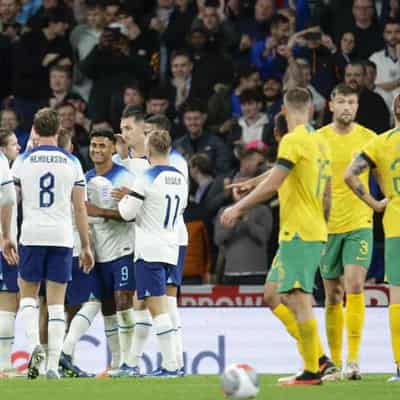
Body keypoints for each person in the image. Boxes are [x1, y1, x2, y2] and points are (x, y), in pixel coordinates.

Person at [220, 88, 332, 386]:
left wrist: (238, 207)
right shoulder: (319, 141)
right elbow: (299, 179)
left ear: (284, 110)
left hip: (300, 232)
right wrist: (251, 183)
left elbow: (275, 184)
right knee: (272, 294)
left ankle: (313, 368)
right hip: (306, 230)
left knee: (298, 297)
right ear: (310, 109)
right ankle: (318, 359)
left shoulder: (293, 140)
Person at [2, 107, 94, 380]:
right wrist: (86, 245)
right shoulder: (73, 162)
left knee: (28, 297)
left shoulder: (23, 161)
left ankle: (33, 348)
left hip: (31, 234)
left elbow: (9, 199)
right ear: (57, 130)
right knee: (55, 304)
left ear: (35, 128)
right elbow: (80, 208)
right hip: (62, 237)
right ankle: (53, 364)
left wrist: (6, 235)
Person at [113, 108, 189, 375]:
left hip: (149, 250)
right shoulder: (179, 177)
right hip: (170, 246)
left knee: (158, 308)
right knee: (143, 304)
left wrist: (126, 197)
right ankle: (131, 364)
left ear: (151, 148)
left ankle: (171, 365)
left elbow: (126, 212)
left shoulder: (147, 177)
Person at [318, 83, 376, 380]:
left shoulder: (369, 139)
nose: (347, 107)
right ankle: (336, 365)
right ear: (331, 105)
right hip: (326, 227)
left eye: (351, 102)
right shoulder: (318, 140)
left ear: (357, 106)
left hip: (359, 223)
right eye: (341, 101)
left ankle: (353, 361)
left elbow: (387, 172)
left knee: (354, 286)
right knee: (332, 294)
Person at [344, 93, 400, 383]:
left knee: (399, 296)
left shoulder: (380, 143)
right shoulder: (379, 142)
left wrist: (376, 203)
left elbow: (349, 174)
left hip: (396, 226)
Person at [79, 129, 136, 377]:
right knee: (108, 309)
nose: (97, 150)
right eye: (93, 146)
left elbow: (132, 214)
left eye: (102, 146)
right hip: (99, 252)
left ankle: (129, 361)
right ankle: (115, 363)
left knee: (124, 304)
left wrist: (99, 211)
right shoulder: (85, 178)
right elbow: (82, 216)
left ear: (113, 148)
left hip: (123, 249)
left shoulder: (125, 176)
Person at [0, 128, 17, 377]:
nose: (18, 147)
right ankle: (3, 364)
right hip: (3, 245)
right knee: (7, 301)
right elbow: (8, 199)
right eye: (14, 144)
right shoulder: (2, 163)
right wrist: (5, 237)